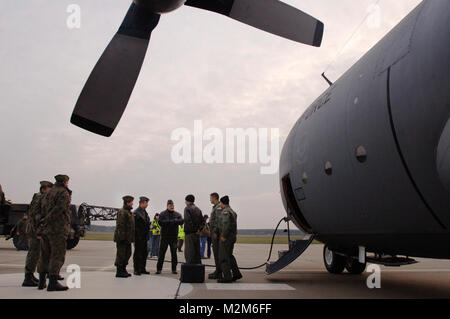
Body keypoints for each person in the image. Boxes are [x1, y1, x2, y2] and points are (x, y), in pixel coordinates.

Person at [37, 174, 71, 291]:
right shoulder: (63, 193)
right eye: (67, 182)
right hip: (57, 228)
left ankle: (41, 282)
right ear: (64, 182)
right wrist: (48, 219)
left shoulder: (48, 193)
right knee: (57, 254)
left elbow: (42, 208)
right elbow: (59, 209)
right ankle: (53, 282)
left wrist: (43, 221)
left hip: (46, 229)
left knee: (44, 255)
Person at [22, 181, 53, 287]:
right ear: (44, 189)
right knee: (33, 253)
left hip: (37, 229)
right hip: (35, 230)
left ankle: (30, 275)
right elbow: (36, 215)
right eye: (49, 188)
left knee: (37, 253)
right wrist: (39, 229)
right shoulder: (39, 197)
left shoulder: (42, 197)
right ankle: (28, 277)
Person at [217, 195, 242, 283]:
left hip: (226, 238)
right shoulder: (232, 211)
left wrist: (223, 236)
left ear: (222, 203)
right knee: (229, 256)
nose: (220, 204)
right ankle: (236, 274)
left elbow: (226, 224)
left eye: (220, 202)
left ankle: (227, 277)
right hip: (231, 237)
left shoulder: (225, 212)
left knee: (223, 257)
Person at [156, 200, 183, 274]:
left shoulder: (177, 214)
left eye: (172, 205)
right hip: (165, 237)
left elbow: (181, 221)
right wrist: (172, 221)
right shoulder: (162, 213)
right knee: (161, 254)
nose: (172, 206)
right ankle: (159, 269)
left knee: (174, 254)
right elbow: (160, 222)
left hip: (173, 237)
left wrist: (173, 221)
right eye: (170, 205)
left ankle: (174, 269)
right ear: (167, 206)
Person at [114, 195, 135, 278]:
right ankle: (119, 271)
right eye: (131, 202)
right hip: (122, 238)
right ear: (127, 202)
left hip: (128, 238)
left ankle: (123, 269)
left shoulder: (129, 212)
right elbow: (120, 226)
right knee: (121, 255)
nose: (132, 203)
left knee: (127, 254)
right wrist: (122, 238)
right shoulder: (122, 212)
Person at [183, 194, 204, 264]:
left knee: (189, 253)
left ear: (187, 201)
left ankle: (190, 270)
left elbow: (187, 221)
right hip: (197, 234)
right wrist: (199, 230)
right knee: (196, 253)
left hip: (190, 234)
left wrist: (194, 230)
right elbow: (203, 222)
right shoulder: (198, 209)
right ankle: (198, 270)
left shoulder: (187, 209)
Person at [133, 196, 151, 276]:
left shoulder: (144, 212)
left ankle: (142, 268)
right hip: (138, 237)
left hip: (144, 237)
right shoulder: (136, 212)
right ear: (142, 203)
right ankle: (137, 269)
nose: (147, 204)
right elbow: (135, 226)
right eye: (146, 203)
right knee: (138, 254)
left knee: (144, 253)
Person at [208, 192, 222, 279]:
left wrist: (216, 232)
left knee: (217, 253)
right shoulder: (216, 207)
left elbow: (219, 221)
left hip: (216, 234)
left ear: (214, 198)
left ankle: (219, 272)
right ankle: (218, 270)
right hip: (214, 232)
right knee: (216, 252)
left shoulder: (218, 207)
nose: (210, 200)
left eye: (210, 198)